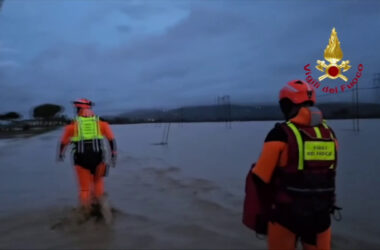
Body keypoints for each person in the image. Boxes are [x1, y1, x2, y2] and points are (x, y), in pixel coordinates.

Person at [243, 80, 339, 250]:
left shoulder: (279, 134)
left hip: (287, 216)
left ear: (287, 105)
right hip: (321, 216)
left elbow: (260, 177)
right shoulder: (330, 134)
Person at [58, 98, 117, 223]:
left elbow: (63, 143)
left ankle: (85, 213)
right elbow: (111, 140)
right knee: (98, 183)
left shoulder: (72, 126)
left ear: (79, 109)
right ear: (89, 109)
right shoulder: (102, 124)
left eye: (76, 108)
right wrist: (113, 155)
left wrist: (60, 154)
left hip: (81, 162)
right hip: (98, 161)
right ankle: (104, 211)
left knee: (85, 189)